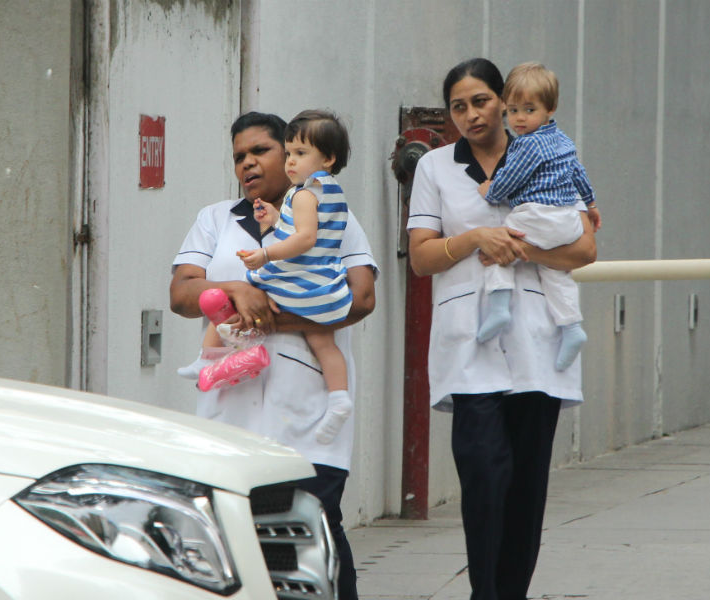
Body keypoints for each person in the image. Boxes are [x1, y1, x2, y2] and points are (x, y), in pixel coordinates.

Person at [406, 58, 596, 600]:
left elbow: (585, 248)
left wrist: (526, 250)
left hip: (539, 341)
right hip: (470, 342)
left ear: (506, 100)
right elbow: (421, 258)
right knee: (484, 476)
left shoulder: (543, 149)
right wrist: (475, 240)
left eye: (482, 101)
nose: (471, 115)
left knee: (527, 487)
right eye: (458, 107)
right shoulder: (436, 167)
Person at [170, 111, 377, 600]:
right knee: (234, 552)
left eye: (260, 150)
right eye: (239, 155)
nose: (248, 163)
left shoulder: (329, 214)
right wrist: (234, 289)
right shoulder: (215, 219)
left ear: (289, 154)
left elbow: (361, 298)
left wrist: (270, 319)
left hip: (308, 412)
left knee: (314, 543)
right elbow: (181, 293)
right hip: (230, 411)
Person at [475, 62, 601, 374]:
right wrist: (591, 203)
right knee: (555, 272)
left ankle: (500, 305)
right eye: (513, 109)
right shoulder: (564, 141)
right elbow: (578, 175)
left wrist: (489, 190)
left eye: (529, 110)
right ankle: (572, 327)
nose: (518, 119)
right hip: (567, 221)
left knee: (500, 243)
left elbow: (510, 180)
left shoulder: (527, 145)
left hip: (539, 214)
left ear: (550, 109)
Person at [241, 109, 354, 444]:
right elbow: (308, 231)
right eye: (289, 153)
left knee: (247, 294)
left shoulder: (304, 193)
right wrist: (277, 218)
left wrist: (265, 253)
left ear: (328, 158)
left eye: (300, 154)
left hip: (301, 278)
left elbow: (303, 239)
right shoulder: (327, 190)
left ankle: (212, 356)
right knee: (324, 343)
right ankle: (339, 398)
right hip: (325, 282)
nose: (290, 161)